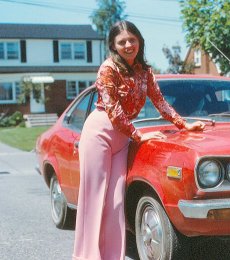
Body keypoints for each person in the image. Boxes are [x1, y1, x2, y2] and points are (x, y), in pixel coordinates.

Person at [72, 20, 205, 260]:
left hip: (123, 139)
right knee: (94, 198)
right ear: (113, 45)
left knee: (115, 201)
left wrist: (184, 124)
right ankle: (87, 256)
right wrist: (139, 135)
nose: (128, 45)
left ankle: (113, 256)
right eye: (121, 41)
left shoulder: (145, 71)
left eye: (132, 39)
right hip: (100, 132)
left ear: (139, 41)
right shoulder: (108, 68)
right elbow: (113, 110)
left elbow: (160, 101)